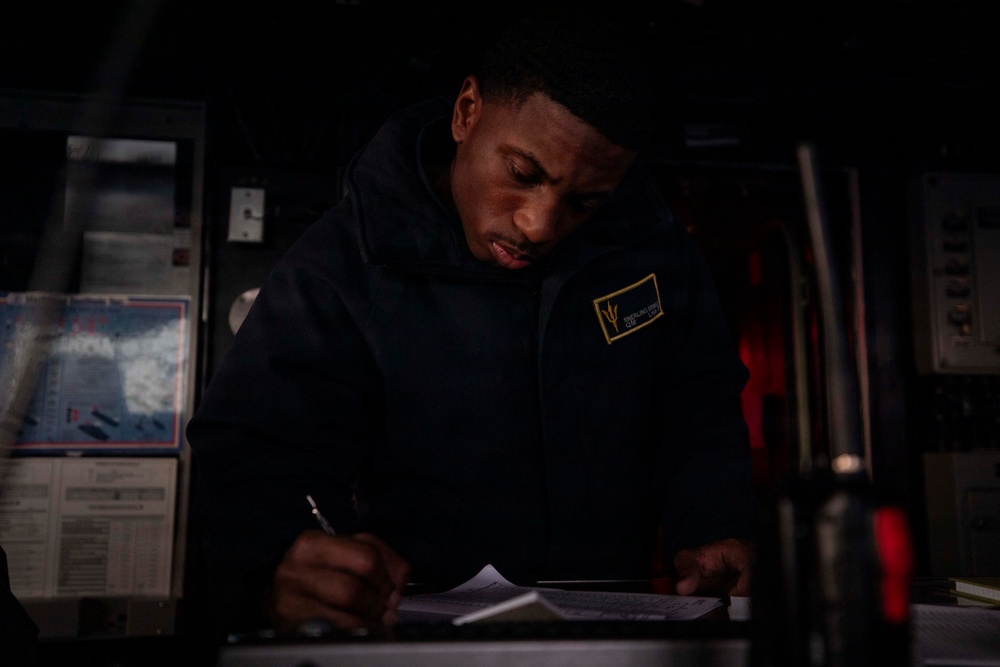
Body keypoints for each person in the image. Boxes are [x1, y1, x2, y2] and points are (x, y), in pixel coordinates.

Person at [187, 9, 755, 636]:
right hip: (414, 643)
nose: (540, 225)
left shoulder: (650, 251)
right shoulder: (347, 263)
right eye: (522, 174)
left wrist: (714, 526)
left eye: (584, 201)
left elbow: (698, 408)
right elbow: (255, 451)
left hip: (608, 637)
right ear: (466, 112)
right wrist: (277, 560)